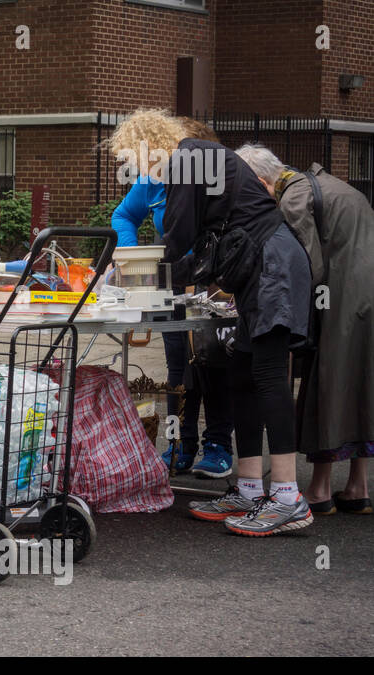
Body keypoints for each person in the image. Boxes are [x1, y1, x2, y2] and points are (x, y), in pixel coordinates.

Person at [111, 108, 313, 536]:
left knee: (269, 377)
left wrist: (136, 276)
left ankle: (287, 498)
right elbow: (197, 246)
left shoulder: (187, 160)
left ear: (149, 147)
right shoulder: (196, 161)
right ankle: (248, 487)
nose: (144, 174)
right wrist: (157, 275)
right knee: (242, 372)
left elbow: (179, 238)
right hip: (261, 266)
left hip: (271, 268)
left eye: (138, 160)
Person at [235, 143, 373, 516]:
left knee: (323, 384)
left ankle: (319, 488)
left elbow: (303, 266)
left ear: (263, 182)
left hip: (338, 300)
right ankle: (358, 486)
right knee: (361, 385)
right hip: (363, 298)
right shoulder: (330, 184)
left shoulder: (294, 200)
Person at [111, 117, 234, 480]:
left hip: (215, 282)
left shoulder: (211, 177)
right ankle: (179, 444)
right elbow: (123, 215)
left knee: (212, 365)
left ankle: (217, 446)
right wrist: (132, 257)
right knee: (179, 367)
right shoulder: (152, 180)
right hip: (174, 282)